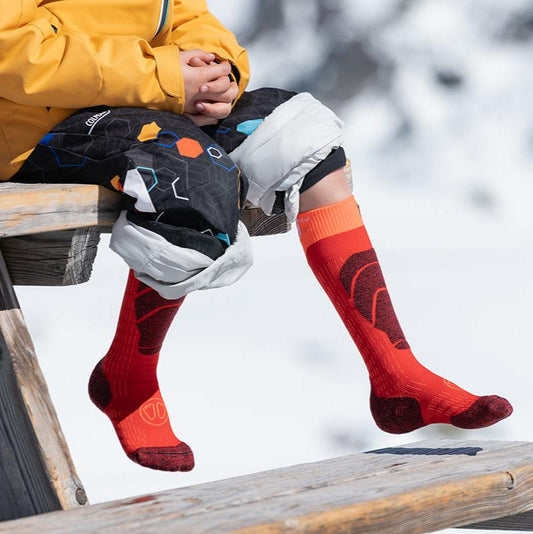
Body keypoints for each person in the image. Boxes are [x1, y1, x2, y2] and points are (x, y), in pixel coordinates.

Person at [0, 0, 512, 472]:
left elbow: (182, 15)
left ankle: (396, 372)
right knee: (191, 170)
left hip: (140, 99)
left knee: (295, 132)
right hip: (33, 130)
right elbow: (12, 49)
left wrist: (216, 68)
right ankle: (127, 376)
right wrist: (162, 75)